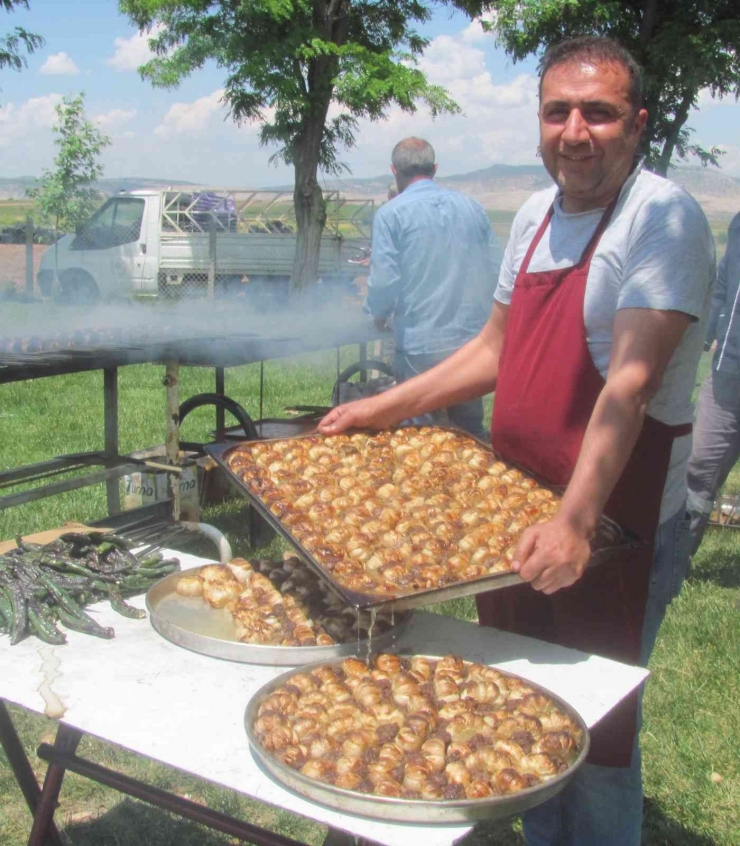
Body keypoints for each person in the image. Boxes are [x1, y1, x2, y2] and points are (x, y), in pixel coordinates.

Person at [320, 36, 715, 846]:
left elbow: (631, 383)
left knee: (597, 728)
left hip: (614, 519)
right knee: (516, 699)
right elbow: (494, 349)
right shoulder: (535, 216)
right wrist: (385, 407)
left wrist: (574, 522)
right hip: (518, 510)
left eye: (598, 113)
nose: (576, 131)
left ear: (636, 124)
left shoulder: (661, 219)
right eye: (558, 111)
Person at [366, 137, 501, 439]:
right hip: (469, 343)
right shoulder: (473, 208)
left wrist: (378, 313)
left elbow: (385, 280)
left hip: (419, 343)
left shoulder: (390, 214)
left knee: (418, 434)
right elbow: (496, 272)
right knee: (469, 432)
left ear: (394, 170)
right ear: (435, 168)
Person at [687, 212, 740, 552]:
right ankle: (671, 565)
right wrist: (707, 337)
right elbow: (724, 284)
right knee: (696, 470)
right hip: (728, 375)